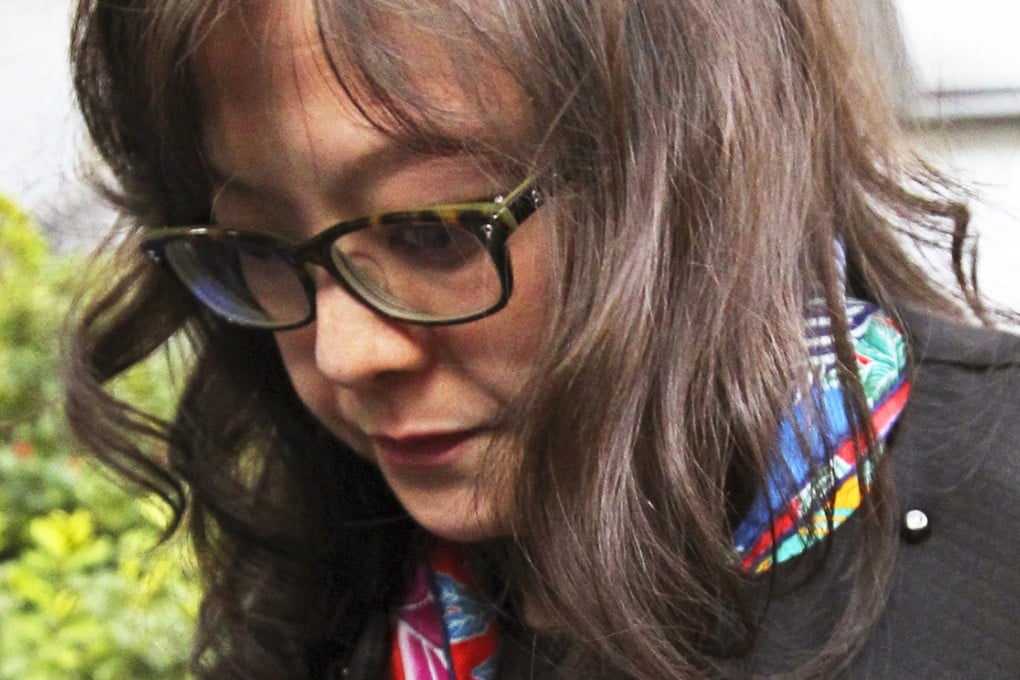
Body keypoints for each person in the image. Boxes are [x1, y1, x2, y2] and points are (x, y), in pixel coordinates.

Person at [64, 1, 1020, 678]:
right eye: (264, 248)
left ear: (694, 174)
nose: (346, 353)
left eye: (432, 232)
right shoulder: (338, 588)